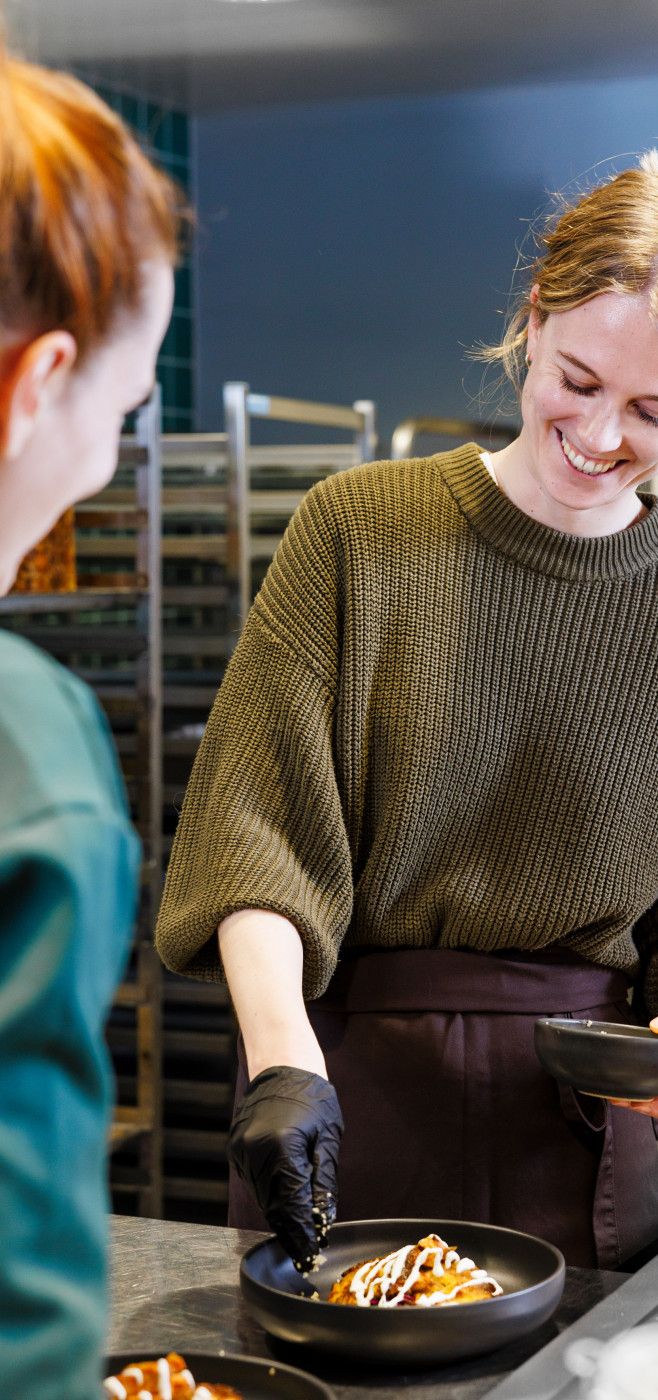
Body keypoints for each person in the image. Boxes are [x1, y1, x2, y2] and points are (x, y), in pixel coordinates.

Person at [156, 148, 658, 1273]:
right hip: (334, 1076)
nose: (601, 436)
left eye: (654, 409)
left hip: (580, 1121)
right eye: (577, 380)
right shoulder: (355, 531)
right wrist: (280, 1068)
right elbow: (255, 835)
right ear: (529, 320)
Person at [0, 47, 180, 1400]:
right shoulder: (27, 750)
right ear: (33, 385)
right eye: (121, 410)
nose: (106, 461)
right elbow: (24, 1323)